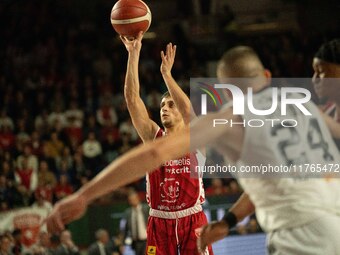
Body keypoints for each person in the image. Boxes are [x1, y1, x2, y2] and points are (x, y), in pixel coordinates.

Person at [44, 47, 340, 253]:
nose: (165, 109)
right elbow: (268, 182)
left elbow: (154, 155)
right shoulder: (305, 107)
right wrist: (227, 221)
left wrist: (85, 195)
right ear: (265, 74)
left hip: (296, 235)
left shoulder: (227, 120)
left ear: (226, 88)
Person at [119, 32, 212, 255]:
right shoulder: (153, 136)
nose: (164, 108)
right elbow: (132, 101)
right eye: (162, 105)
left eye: (171, 104)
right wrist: (134, 54)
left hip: (193, 219)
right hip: (160, 222)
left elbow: (189, 111)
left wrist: (166, 75)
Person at [312, 38, 340, 148]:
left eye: (321, 71)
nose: (314, 79)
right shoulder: (325, 111)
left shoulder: (320, 115)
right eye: (314, 72)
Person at [123, 190, 148, 255]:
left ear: (138, 198)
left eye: (134, 199)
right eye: (131, 200)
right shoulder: (128, 212)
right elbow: (126, 229)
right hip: (135, 242)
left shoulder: (146, 208)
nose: (133, 201)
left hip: (148, 241)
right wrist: (124, 244)